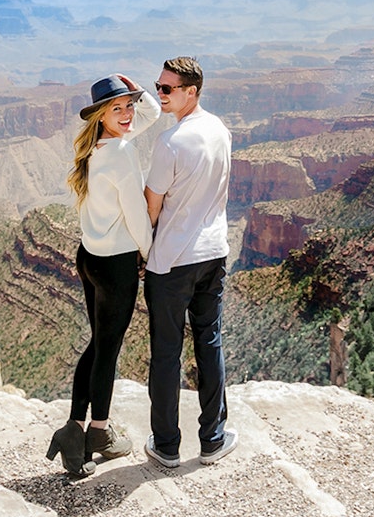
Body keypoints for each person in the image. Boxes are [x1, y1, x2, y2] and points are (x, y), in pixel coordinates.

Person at [46, 73, 161, 477]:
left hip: (89, 257)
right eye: (118, 108)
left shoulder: (98, 146)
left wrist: (133, 92)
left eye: (130, 105)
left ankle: (81, 430)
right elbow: (136, 213)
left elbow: (149, 114)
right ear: (101, 114)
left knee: (98, 345)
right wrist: (150, 257)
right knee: (106, 352)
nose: (129, 113)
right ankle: (93, 432)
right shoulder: (123, 154)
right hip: (115, 266)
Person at [141, 56, 237, 468]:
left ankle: (166, 446)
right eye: (158, 87)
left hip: (173, 261)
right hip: (214, 253)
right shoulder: (220, 129)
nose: (160, 94)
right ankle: (213, 438)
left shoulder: (170, 143)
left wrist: (139, 254)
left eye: (167, 88)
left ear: (191, 91)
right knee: (208, 341)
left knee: (166, 352)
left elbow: (151, 207)